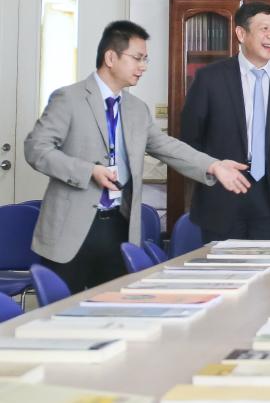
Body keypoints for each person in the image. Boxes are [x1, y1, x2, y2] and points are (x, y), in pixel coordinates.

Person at [24, 21, 250, 293]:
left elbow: (166, 146)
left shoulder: (136, 109)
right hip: (69, 232)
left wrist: (213, 165)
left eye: (145, 59)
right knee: (61, 311)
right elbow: (36, 148)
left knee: (114, 310)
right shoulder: (69, 98)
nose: (143, 66)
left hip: (118, 228)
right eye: (137, 58)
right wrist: (88, 171)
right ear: (111, 57)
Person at [180, 2, 270, 243]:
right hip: (222, 192)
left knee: (268, 263)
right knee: (223, 265)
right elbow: (189, 137)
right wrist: (214, 168)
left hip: (269, 195)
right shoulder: (209, 78)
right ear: (241, 33)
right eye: (264, 29)